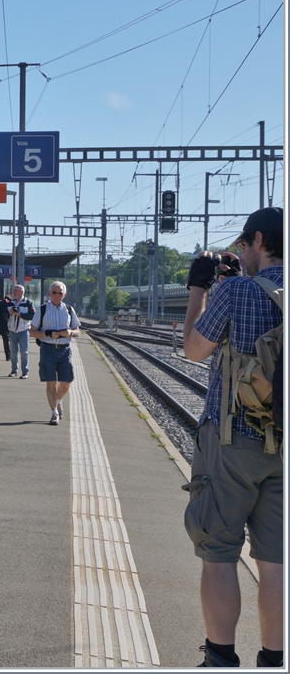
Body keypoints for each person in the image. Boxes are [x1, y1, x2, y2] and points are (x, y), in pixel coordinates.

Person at [181, 206, 283, 668]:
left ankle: (221, 658)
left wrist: (200, 286)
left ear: (259, 240)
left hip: (233, 440)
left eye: (244, 245)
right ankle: (275, 660)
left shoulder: (237, 290)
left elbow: (193, 350)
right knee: (277, 561)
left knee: (219, 552)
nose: (242, 253)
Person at [29, 280, 80, 425]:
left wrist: (70, 332)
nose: (57, 295)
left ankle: (58, 401)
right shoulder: (42, 309)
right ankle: (54, 413)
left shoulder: (69, 310)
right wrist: (48, 333)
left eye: (60, 293)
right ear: (49, 293)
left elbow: (78, 331)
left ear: (64, 295)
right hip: (48, 349)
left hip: (65, 349)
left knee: (66, 382)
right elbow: (32, 332)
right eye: (54, 292)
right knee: (50, 382)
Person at [6, 284, 37, 378]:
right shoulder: (10, 302)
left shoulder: (28, 302)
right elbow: (4, 316)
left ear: (22, 292)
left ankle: (25, 372)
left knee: (24, 352)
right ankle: (14, 370)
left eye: (16, 290)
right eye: (13, 290)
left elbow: (33, 316)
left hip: (23, 330)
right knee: (13, 352)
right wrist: (9, 312)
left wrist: (21, 315)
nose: (14, 292)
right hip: (12, 330)